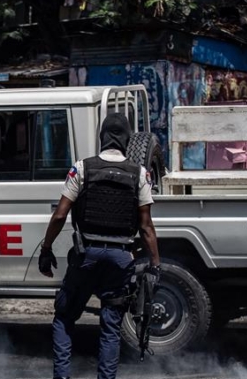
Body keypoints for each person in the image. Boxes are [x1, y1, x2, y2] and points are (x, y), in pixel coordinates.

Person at [38, 112, 161, 379]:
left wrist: (46, 249)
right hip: (120, 260)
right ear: (127, 140)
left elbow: (60, 215)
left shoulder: (82, 168)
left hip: (86, 257)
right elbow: (146, 226)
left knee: (64, 318)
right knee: (110, 327)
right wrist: (155, 265)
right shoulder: (140, 174)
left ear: (102, 137)